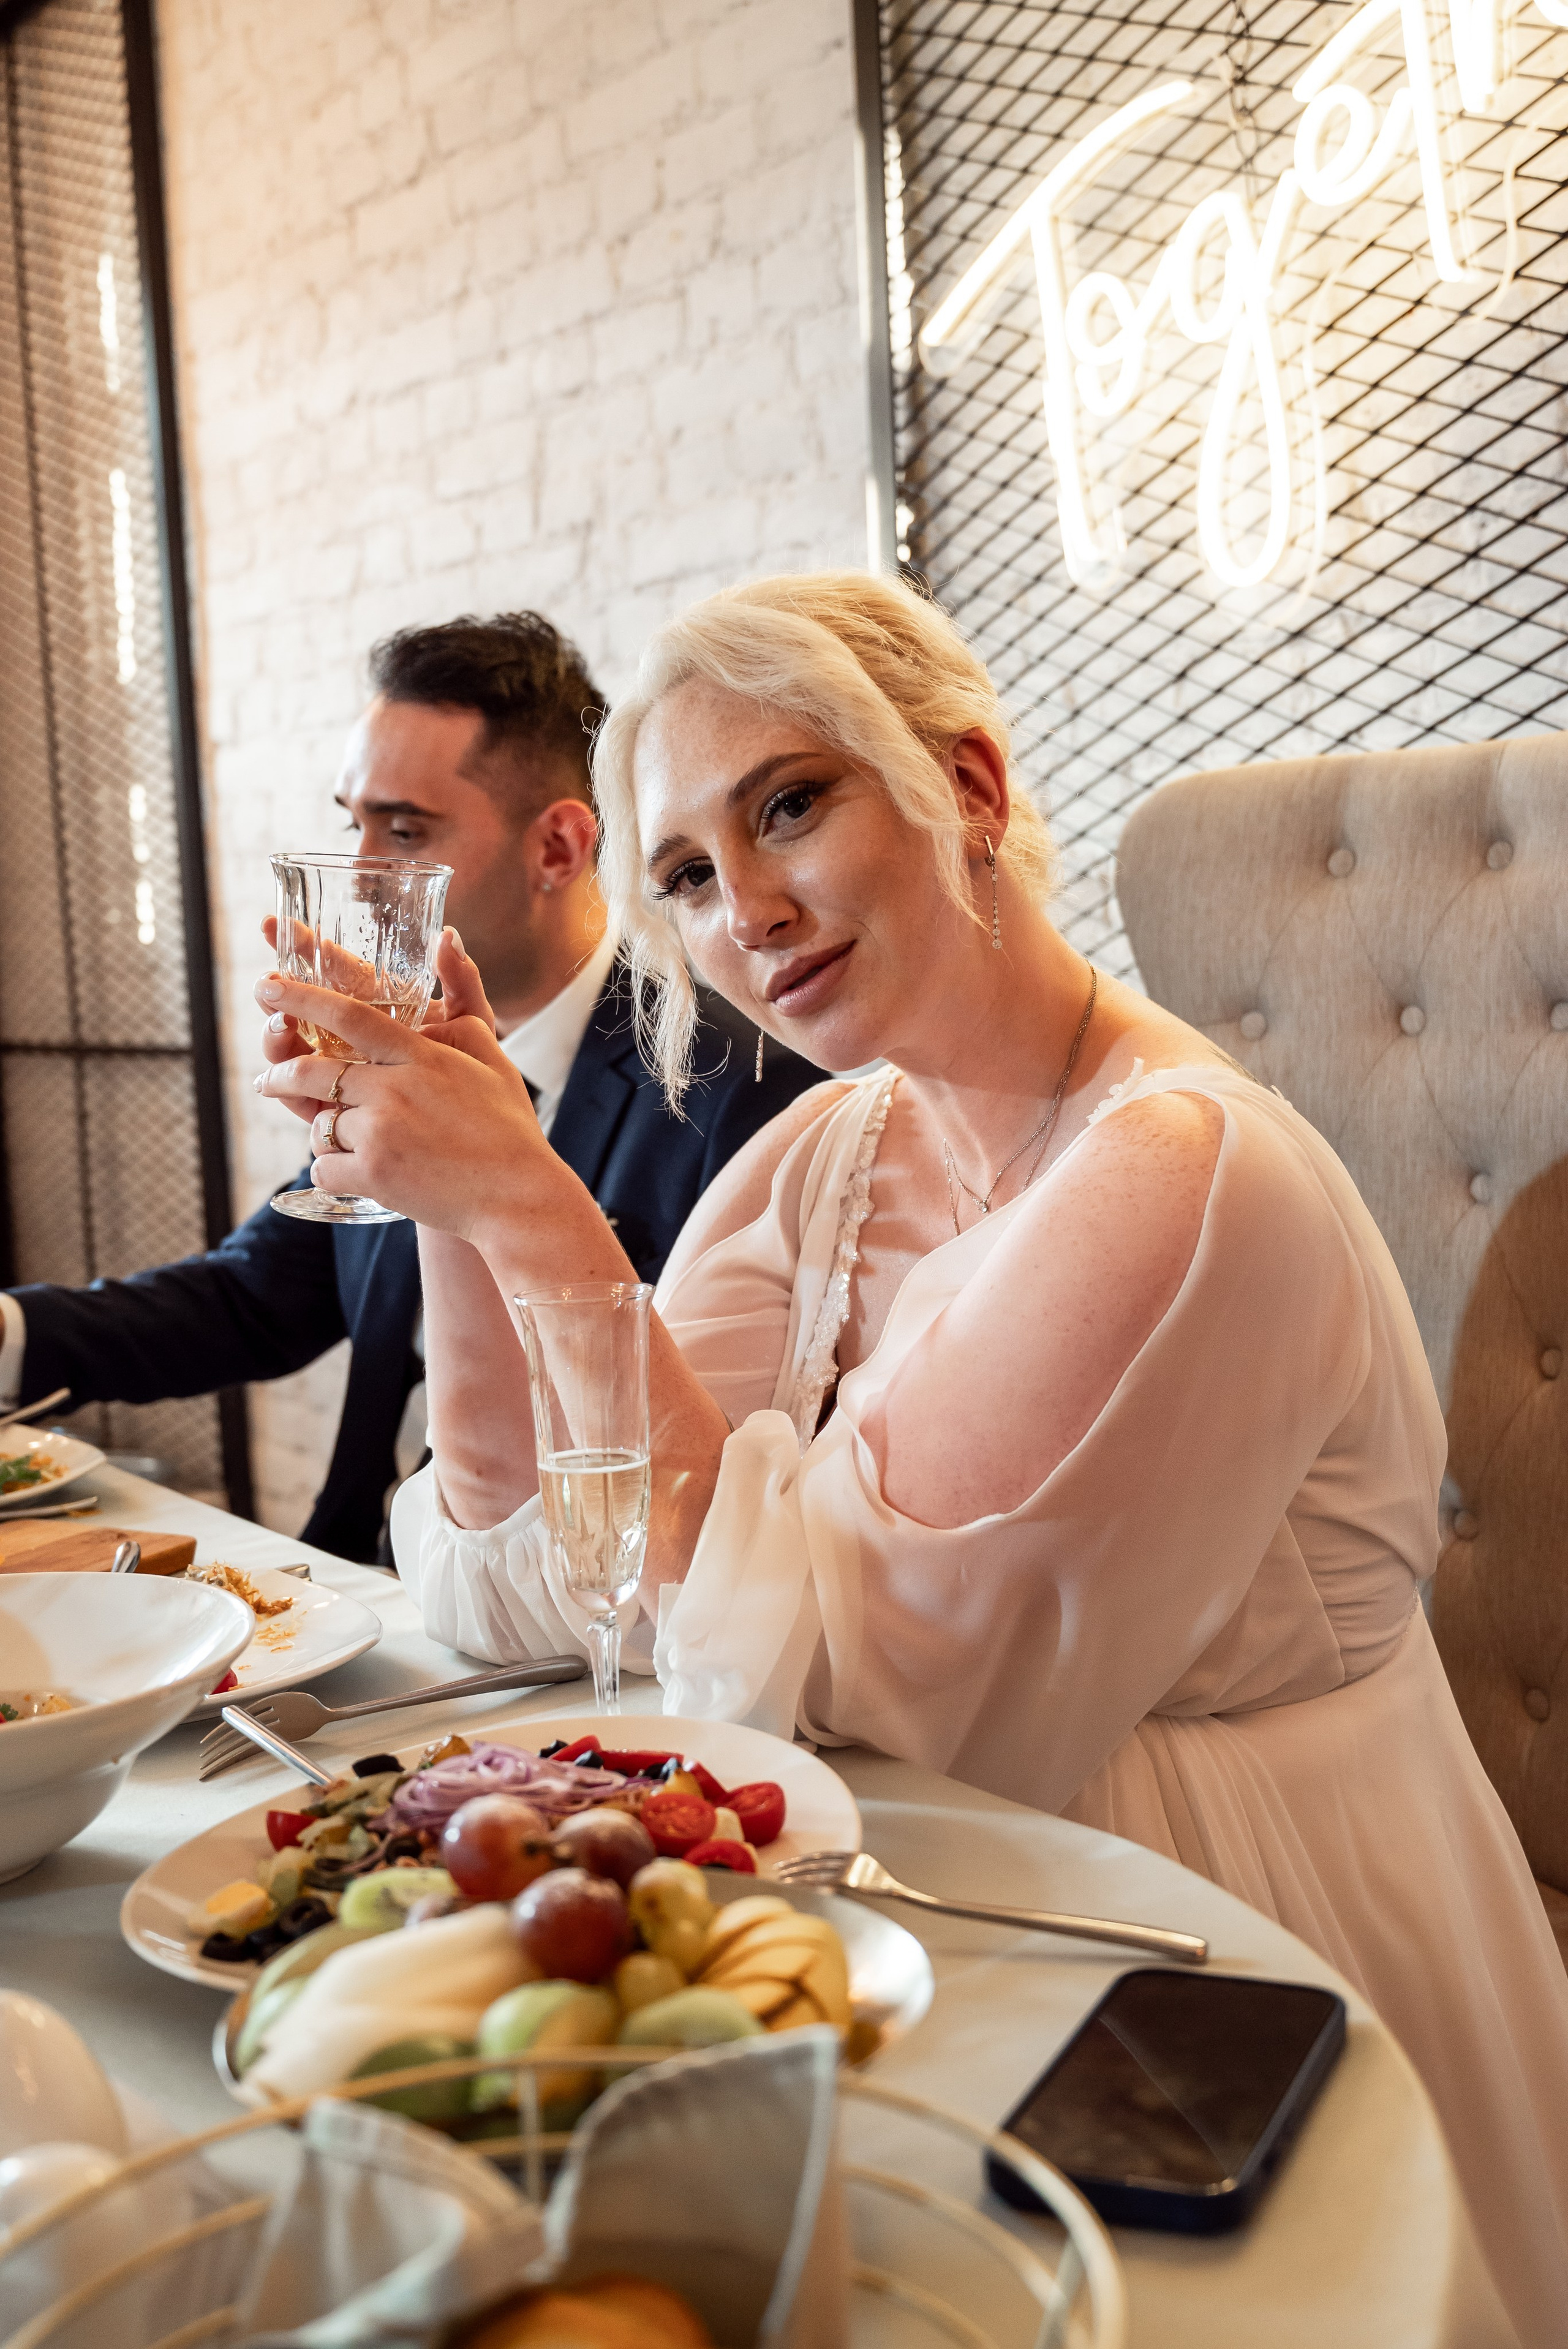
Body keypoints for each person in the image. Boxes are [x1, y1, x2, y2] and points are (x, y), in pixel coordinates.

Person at [249, 571, 1568, 2342]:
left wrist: (531, 1202)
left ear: (970, 786)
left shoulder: (1183, 1172)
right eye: (693, 876)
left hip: (1219, 1940)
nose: (750, 910)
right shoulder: (829, 1156)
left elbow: (853, 1681)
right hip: (899, 1888)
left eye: (791, 803)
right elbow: (545, 1581)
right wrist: (454, 1207)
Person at [0, 613, 817, 1561]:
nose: (359, 872)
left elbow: (699, 1473)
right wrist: (11, 1333)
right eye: (354, 823)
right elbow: (256, 1296)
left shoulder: (737, 1086)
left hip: (586, 1618)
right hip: (364, 1588)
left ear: (558, 849)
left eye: (404, 829)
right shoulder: (401, 1065)